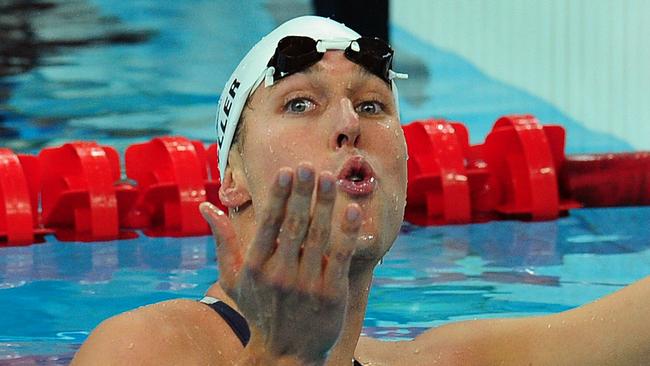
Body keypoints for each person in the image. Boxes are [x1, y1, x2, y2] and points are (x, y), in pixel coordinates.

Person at [72, 16, 650, 366]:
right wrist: (284, 357)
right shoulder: (147, 346)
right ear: (232, 178)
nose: (349, 122)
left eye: (372, 105)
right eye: (301, 103)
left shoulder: (436, 358)